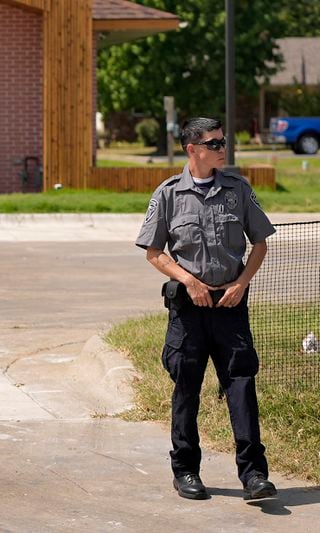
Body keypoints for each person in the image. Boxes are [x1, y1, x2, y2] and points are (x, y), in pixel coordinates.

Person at [136, 117, 278, 501]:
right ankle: (185, 471)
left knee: (241, 387)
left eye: (223, 141)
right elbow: (153, 252)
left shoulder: (238, 190)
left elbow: (261, 242)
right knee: (187, 389)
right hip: (189, 310)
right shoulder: (168, 194)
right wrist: (189, 281)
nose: (221, 148)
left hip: (230, 306)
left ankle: (253, 476)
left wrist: (241, 283)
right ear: (193, 149)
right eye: (214, 143)